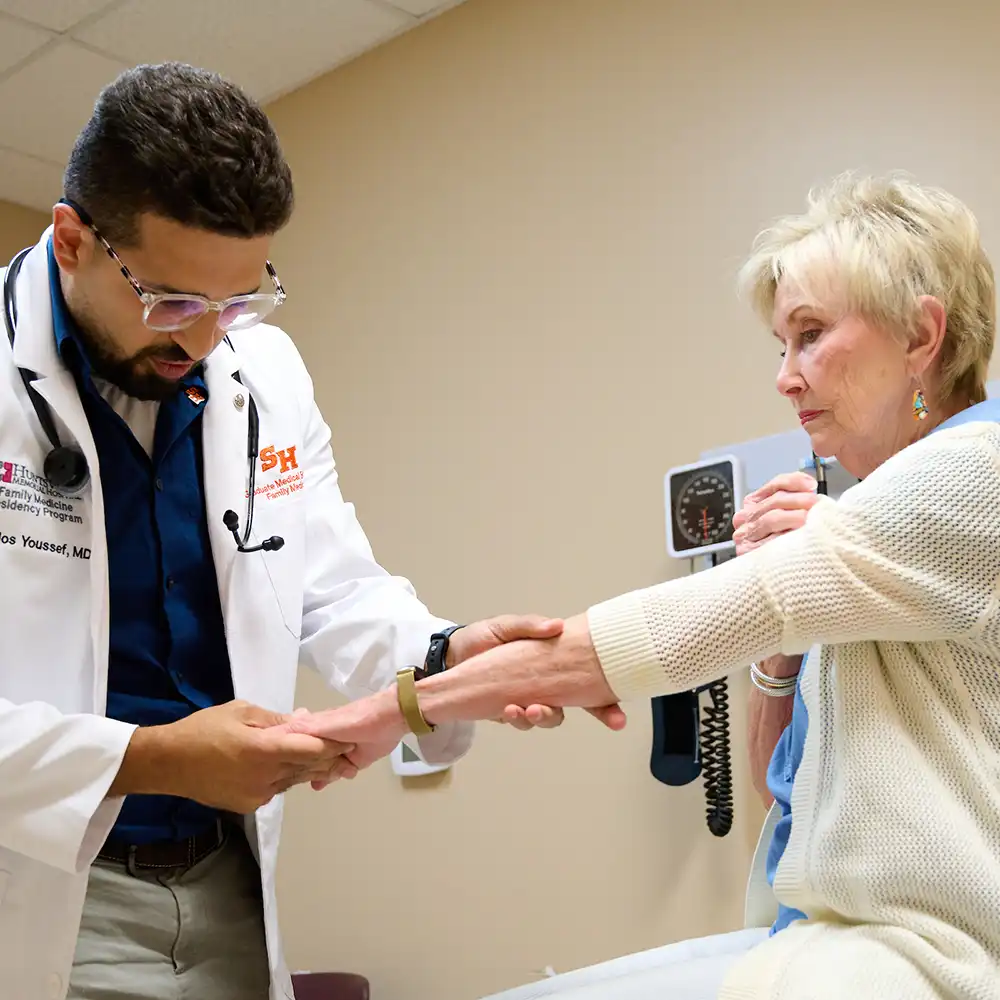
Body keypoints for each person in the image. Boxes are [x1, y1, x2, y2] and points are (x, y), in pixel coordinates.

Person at [294, 172, 1000, 1000]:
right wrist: (783, 640)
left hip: (929, 956)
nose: (785, 376)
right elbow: (788, 802)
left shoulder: (971, 472)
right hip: (826, 933)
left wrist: (391, 712)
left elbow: (649, 638)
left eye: (809, 335)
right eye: (780, 345)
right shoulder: (867, 527)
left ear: (920, 335)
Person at [0, 61, 578, 1000]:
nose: (205, 340)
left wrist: (443, 660)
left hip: (227, 882)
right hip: (41, 887)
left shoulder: (261, 372)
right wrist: (152, 758)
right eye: (172, 301)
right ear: (71, 241)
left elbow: (332, 586)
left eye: (237, 299)